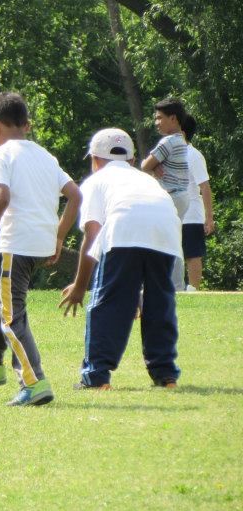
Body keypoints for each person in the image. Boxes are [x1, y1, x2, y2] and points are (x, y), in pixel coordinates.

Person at [0, 91, 81, 407]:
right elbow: (75, 196)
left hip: (16, 244)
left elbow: (2, 198)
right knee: (1, 298)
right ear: (25, 124)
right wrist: (58, 237)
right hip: (40, 244)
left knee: (12, 317)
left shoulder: (1, 155)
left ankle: (34, 382)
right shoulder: (45, 156)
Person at [59, 129, 181, 390]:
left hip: (125, 227)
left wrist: (80, 286)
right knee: (159, 302)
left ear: (95, 160)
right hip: (167, 228)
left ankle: (96, 376)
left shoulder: (96, 181)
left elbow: (92, 235)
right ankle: (165, 375)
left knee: (106, 303)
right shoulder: (145, 179)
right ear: (132, 160)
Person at [141, 98, 189, 290]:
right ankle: (175, 284)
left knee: (164, 240)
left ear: (173, 118)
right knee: (173, 240)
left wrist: (153, 167)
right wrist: (156, 167)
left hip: (171, 196)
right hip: (181, 195)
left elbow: (144, 165)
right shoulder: (180, 140)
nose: (156, 122)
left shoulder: (168, 141)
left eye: (160, 118)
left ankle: (174, 285)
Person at [180, 115, 215, 291]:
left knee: (192, 254)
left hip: (191, 215)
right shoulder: (167, 154)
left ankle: (193, 291)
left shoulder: (193, 155)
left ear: (182, 131)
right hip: (171, 214)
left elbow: (205, 187)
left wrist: (209, 217)